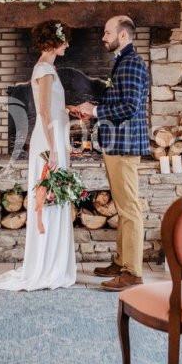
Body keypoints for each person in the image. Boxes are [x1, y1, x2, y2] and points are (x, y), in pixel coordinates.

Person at [0, 20, 76, 291]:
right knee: (50, 197)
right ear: (55, 42)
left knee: (56, 197)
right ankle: (48, 265)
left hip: (53, 135)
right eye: (65, 40)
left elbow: (53, 108)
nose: (68, 45)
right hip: (47, 139)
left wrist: (69, 113)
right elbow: (44, 111)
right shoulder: (44, 70)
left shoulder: (48, 69)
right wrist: (54, 148)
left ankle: (54, 261)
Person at [73, 15, 150, 291]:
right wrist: (91, 105)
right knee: (122, 206)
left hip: (124, 145)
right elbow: (118, 101)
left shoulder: (130, 63)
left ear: (123, 36)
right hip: (117, 145)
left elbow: (129, 108)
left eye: (107, 33)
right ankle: (122, 262)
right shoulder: (122, 62)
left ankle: (133, 272)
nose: (103, 37)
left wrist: (94, 111)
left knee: (129, 209)